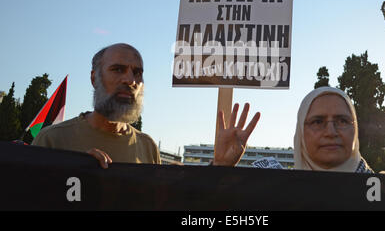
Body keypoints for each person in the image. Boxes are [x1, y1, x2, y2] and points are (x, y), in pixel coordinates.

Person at [32, 43, 260, 168]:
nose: (130, 80)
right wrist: (75, 175)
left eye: (137, 73)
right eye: (118, 69)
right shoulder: (51, 140)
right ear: (94, 78)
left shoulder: (147, 147)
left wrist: (219, 165)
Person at [293, 86, 385, 174]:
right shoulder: (274, 194)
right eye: (318, 122)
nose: (331, 132)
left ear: (355, 129)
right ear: (301, 131)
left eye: (342, 121)